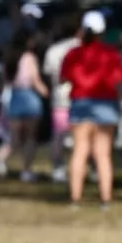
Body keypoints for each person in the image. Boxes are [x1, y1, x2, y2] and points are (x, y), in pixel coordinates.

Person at [61, 10, 122, 209]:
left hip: (80, 102)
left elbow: (64, 77)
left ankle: (75, 198)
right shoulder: (110, 53)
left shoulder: (74, 54)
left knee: (80, 150)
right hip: (105, 104)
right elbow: (119, 78)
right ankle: (105, 199)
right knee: (103, 154)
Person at [0, 27, 49, 181]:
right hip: (30, 98)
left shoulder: (8, 58)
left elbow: (3, 82)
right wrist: (45, 92)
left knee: (14, 138)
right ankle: (26, 169)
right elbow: (34, 80)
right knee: (30, 138)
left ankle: (1, 159)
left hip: (15, 98)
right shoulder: (29, 58)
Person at [42, 14, 81, 183]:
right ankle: (85, 168)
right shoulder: (82, 48)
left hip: (60, 97)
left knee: (58, 135)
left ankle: (58, 167)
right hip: (80, 95)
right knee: (83, 136)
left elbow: (49, 75)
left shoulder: (53, 50)